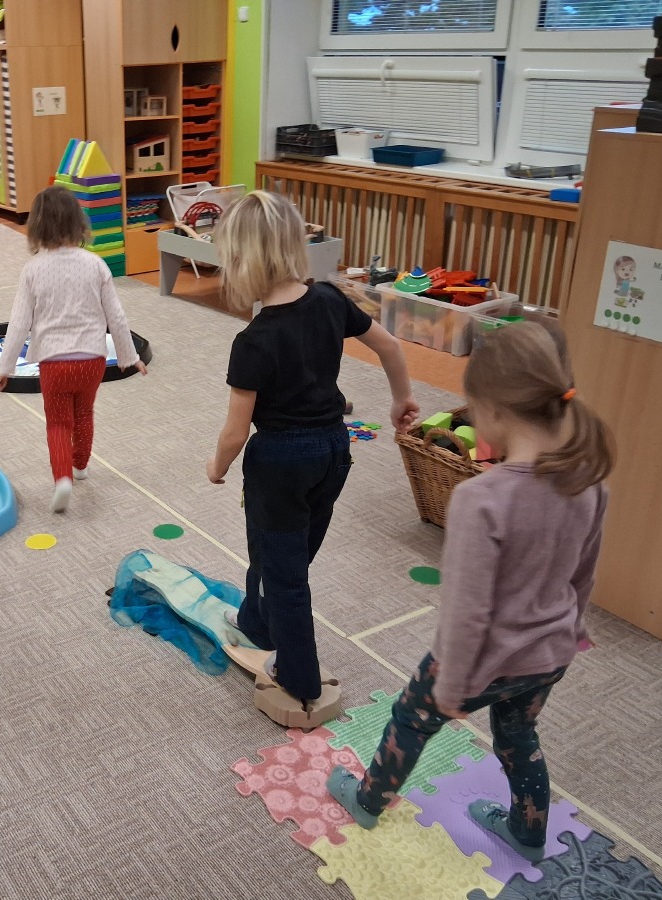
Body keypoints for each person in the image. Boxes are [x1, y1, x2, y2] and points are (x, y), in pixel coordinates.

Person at [328, 321, 613, 863]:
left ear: (496, 412)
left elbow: (467, 610)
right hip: (549, 655)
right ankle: (528, 832)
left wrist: (453, 687)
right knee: (519, 737)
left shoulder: (483, 499)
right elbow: (584, 574)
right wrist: (573, 630)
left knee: (410, 721)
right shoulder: (590, 482)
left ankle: (367, 801)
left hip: (478, 659)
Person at [207, 190, 419, 708]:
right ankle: (258, 622)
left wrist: (216, 466)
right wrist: (401, 400)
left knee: (285, 574)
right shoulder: (327, 298)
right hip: (332, 451)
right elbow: (389, 345)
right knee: (285, 551)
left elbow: (236, 432)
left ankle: (299, 679)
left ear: (241, 261)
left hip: (278, 463)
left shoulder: (253, 340)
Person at [0, 185, 147, 513]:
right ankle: (80, 465)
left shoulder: (33, 269)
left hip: (54, 362)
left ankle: (63, 478)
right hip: (92, 360)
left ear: (37, 227)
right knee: (84, 413)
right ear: (79, 223)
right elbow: (116, 315)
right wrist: (129, 356)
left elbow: (19, 323)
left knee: (58, 423)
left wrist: (4, 368)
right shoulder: (95, 264)